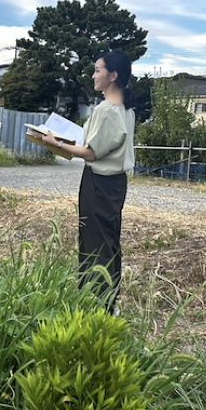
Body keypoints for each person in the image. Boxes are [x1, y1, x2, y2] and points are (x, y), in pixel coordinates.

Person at [42, 50, 135, 311]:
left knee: (93, 242)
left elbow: (91, 153)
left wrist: (56, 143)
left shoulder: (106, 111)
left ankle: (95, 303)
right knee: (108, 240)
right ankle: (108, 301)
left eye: (97, 70)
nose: (93, 75)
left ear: (113, 75)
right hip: (116, 182)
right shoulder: (127, 109)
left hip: (98, 182)